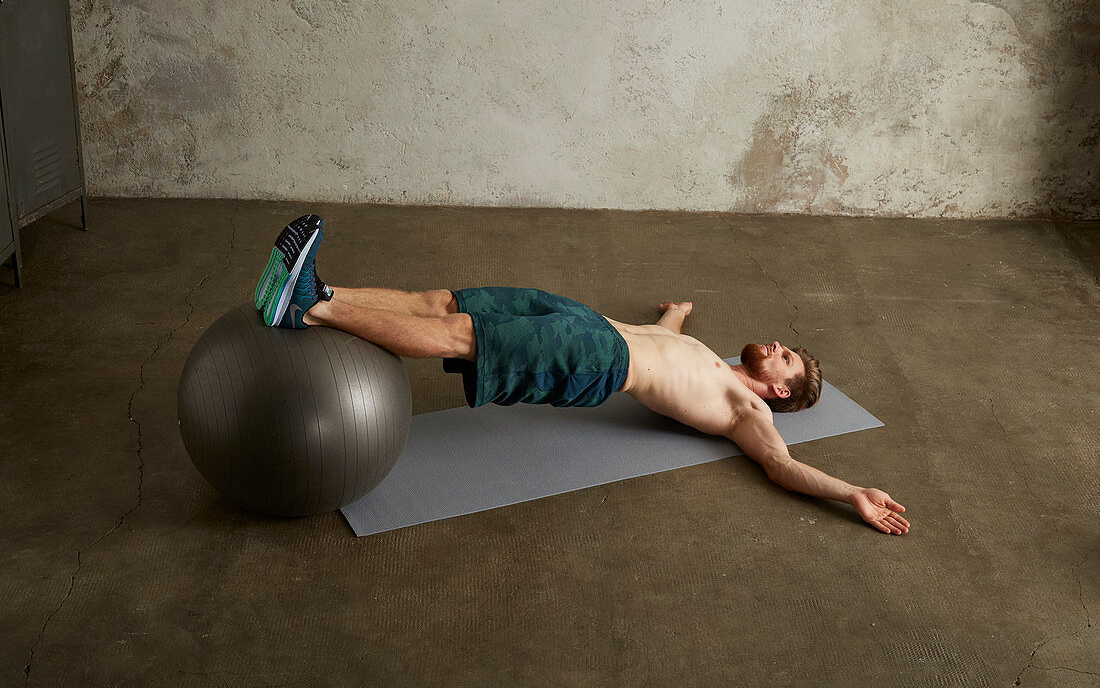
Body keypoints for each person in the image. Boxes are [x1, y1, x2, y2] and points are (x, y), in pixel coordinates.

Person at [255, 215, 910, 536]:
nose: (776, 344)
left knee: (465, 337)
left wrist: (851, 489)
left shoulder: (750, 413)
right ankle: (316, 286)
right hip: (581, 318)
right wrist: (676, 315)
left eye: (786, 358)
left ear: (776, 391)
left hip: (597, 360)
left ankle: (308, 306)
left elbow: (781, 465)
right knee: (444, 302)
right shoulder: (715, 357)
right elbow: (670, 344)